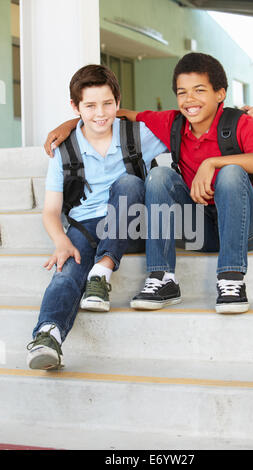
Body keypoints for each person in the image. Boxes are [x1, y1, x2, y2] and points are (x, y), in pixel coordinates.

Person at [43, 53, 253, 316]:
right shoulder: (172, 123)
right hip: (201, 230)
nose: (190, 99)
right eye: (182, 92)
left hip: (246, 231)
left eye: (199, 90)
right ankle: (162, 279)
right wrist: (71, 123)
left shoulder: (239, 122)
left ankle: (231, 279)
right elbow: (112, 114)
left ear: (220, 93)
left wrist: (213, 163)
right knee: (159, 176)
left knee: (230, 171)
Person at [26, 64, 167, 371]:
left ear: (118, 102)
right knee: (67, 269)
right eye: (89, 106)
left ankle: (100, 274)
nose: (100, 113)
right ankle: (47, 335)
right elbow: (51, 210)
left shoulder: (137, 134)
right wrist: (60, 240)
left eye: (107, 103)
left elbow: (190, 125)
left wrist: (242, 116)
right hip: (86, 225)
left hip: (131, 221)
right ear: (75, 108)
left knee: (130, 183)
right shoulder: (63, 150)